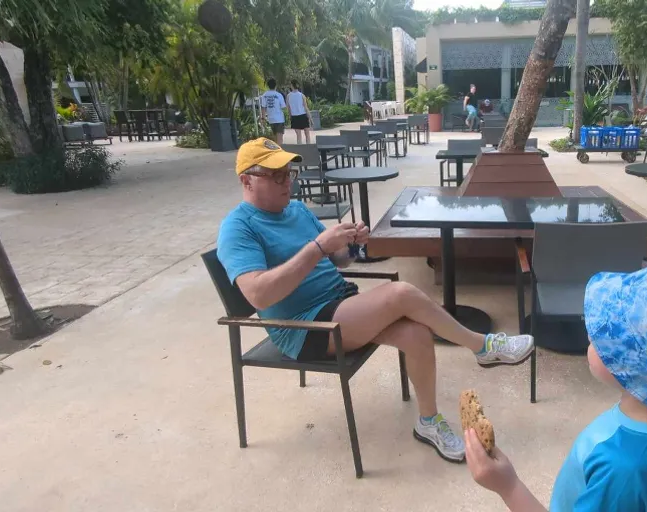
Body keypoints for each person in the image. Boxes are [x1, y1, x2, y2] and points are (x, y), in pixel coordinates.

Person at [217, 138, 536, 463]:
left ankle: (428, 422)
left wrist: (352, 244)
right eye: (277, 176)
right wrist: (317, 247)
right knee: (401, 293)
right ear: (247, 180)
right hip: (303, 328)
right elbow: (258, 293)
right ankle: (482, 346)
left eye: (289, 173)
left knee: (416, 334)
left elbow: (338, 260)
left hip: (340, 306)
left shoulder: (296, 210)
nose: (288, 182)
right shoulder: (238, 228)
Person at [465, 259, 647, 511]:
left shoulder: (623, 469)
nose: (589, 332)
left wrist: (508, 486)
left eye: (603, 334)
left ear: (634, 367)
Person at [260, 78, 287, 144]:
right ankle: (280, 152)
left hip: (270, 119)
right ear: (276, 85)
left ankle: (276, 152)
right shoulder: (279, 95)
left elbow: (263, 107)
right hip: (279, 119)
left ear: (268, 86)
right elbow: (283, 107)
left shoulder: (264, 95)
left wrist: (263, 118)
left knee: (274, 139)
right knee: (280, 139)